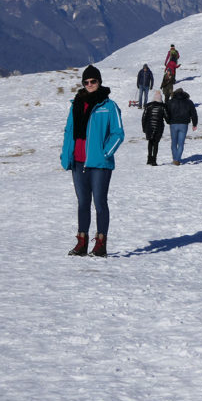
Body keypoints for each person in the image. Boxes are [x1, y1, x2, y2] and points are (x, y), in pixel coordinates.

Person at [61, 65, 125, 257]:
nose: (90, 85)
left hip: (99, 165)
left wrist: (105, 153)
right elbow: (68, 131)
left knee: (99, 203)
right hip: (78, 162)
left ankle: (101, 243)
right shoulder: (76, 104)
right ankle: (81, 242)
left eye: (93, 81)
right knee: (82, 203)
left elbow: (118, 133)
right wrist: (66, 155)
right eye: (86, 82)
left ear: (99, 82)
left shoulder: (108, 106)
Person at [165, 88, 198, 166]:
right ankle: (177, 159)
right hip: (184, 124)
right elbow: (194, 113)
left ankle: (175, 159)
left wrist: (168, 121)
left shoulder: (170, 102)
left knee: (174, 143)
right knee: (181, 143)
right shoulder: (189, 102)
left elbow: (166, 113)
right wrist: (194, 124)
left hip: (173, 124)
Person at [142, 90, 167, 166]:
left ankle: (149, 159)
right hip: (159, 127)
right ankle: (154, 160)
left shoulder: (148, 106)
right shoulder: (163, 107)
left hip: (149, 127)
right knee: (156, 144)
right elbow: (167, 118)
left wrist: (144, 128)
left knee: (150, 142)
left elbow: (144, 118)